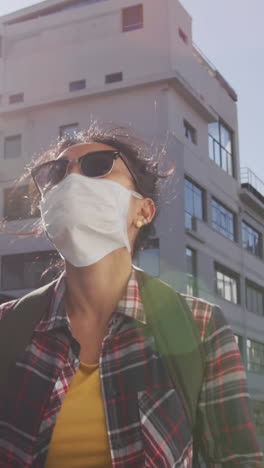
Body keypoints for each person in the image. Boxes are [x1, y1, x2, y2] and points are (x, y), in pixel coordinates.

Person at [0, 124, 263, 468]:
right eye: (57, 172)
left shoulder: (200, 326)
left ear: (144, 211)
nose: (71, 180)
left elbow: (237, 459)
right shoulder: (8, 324)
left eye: (97, 166)